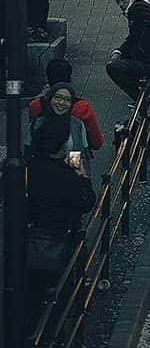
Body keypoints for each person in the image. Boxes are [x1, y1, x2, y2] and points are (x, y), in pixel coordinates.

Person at [27, 113, 96, 310]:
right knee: (63, 289)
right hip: (59, 238)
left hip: (30, 236)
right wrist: (82, 177)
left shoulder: (30, 167)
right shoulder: (66, 176)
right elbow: (86, 202)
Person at [28, 72, 104, 155]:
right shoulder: (36, 124)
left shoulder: (76, 125)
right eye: (57, 97)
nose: (61, 102)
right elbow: (29, 152)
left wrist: (73, 167)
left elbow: (76, 153)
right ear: (50, 99)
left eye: (67, 99)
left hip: (65, 166)